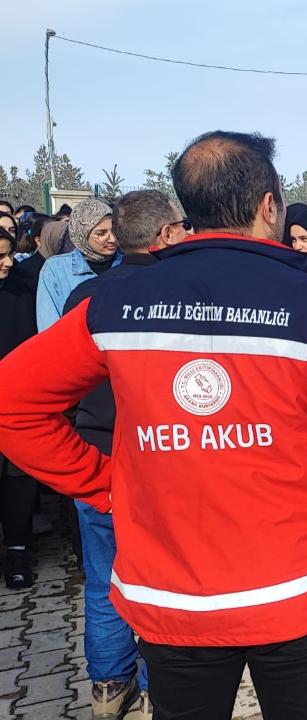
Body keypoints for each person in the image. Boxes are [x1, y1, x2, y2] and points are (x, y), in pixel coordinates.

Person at [0, 130, 307, 719]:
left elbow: (13, 402)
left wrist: (104, 484)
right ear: (270, 205)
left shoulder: (112, 302)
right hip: (297, 588)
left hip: (173, 594)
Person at [58, 189, 188, 718]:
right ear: (163, 235)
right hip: (159, 458)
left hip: (97, 457)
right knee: (161, 574)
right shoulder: (182, 297)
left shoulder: (85, 298)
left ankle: (110, 687)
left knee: (103, 574)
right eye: (180, 228)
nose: (186, 236)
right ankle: (160, 681)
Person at [0, 229, 39, 590]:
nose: (8, 263)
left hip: (14, 403)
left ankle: (18, 552)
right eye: (0, 257)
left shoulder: (19, 287)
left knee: (19, 481)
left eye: (9, 254)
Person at [36, 198, 121, 331]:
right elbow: (49, 326)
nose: (112, 239)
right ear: (82, 234)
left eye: (114, 231)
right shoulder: (56, 269)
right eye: (101, 234)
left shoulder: (127, 263)